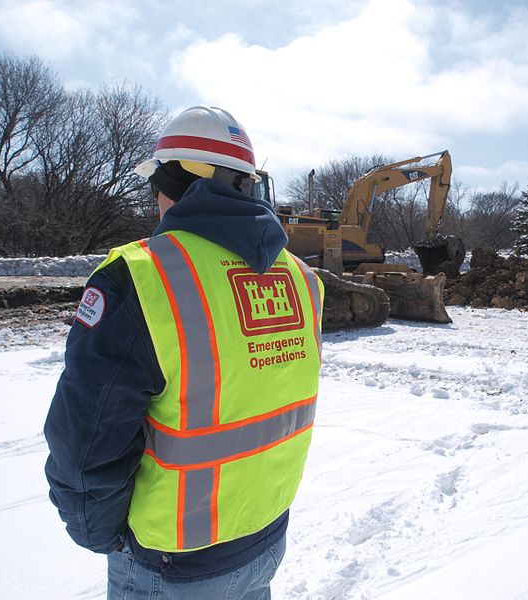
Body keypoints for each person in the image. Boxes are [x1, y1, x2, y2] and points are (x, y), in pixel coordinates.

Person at [44, 106, 324, 599]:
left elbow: (85, 443)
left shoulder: (142, 278)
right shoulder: (303, 279)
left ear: (173, 181)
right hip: (264, 541)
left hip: (170, 565)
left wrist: (103, 536)